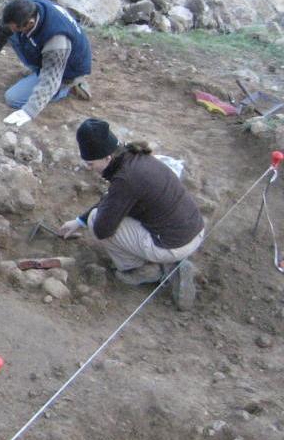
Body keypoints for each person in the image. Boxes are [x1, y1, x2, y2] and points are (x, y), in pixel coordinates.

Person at [58, 118, 203, 310]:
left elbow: (103, 228)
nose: (89, 169)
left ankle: (141, 269)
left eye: (91, 164)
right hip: (193, 230)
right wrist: (78, 221)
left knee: (97, 221)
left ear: (107, 158)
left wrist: (88, 220)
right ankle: (166, 262)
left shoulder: (126, 179)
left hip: (173, 244)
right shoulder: (135, 157)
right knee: (106, 215)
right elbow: (114, 198)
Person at [0, 0, 92, 127]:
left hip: (69, 69)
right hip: (50, 53)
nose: (11, 29)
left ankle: (67, 87)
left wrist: (28, 112)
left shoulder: (56, 40)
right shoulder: (24, 6)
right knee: (13, 34)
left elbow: (49, 81)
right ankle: (37, 70)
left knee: (13, 98)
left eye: (16, 28)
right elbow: (1, 29)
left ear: (30, 23)